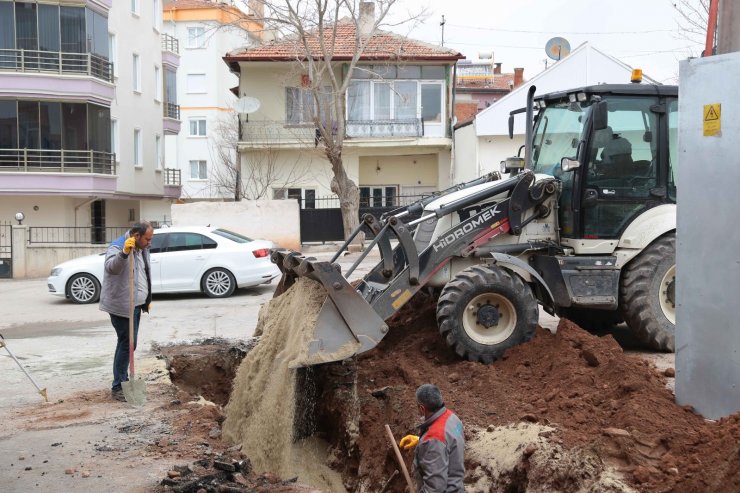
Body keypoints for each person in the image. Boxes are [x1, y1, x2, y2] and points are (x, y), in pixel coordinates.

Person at [100, 221, 153, 401]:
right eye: (147, 239)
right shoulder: (117, 246)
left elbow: (144, 273)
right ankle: (118, 386)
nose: (149, 242)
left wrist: (146, 299)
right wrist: (124, 253)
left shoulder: (143, 248)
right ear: (136, 236)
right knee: (127, 343)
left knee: (129, 343)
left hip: (136, 305)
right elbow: (111, 268)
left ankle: (121, 382)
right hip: (121, 306)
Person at [399, 384, 465, 492]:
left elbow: (435, 488)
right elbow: (448, 442)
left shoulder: (434, 439)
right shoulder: (452, 418)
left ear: (422, 408)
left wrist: (429, 442)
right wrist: (421, 440)